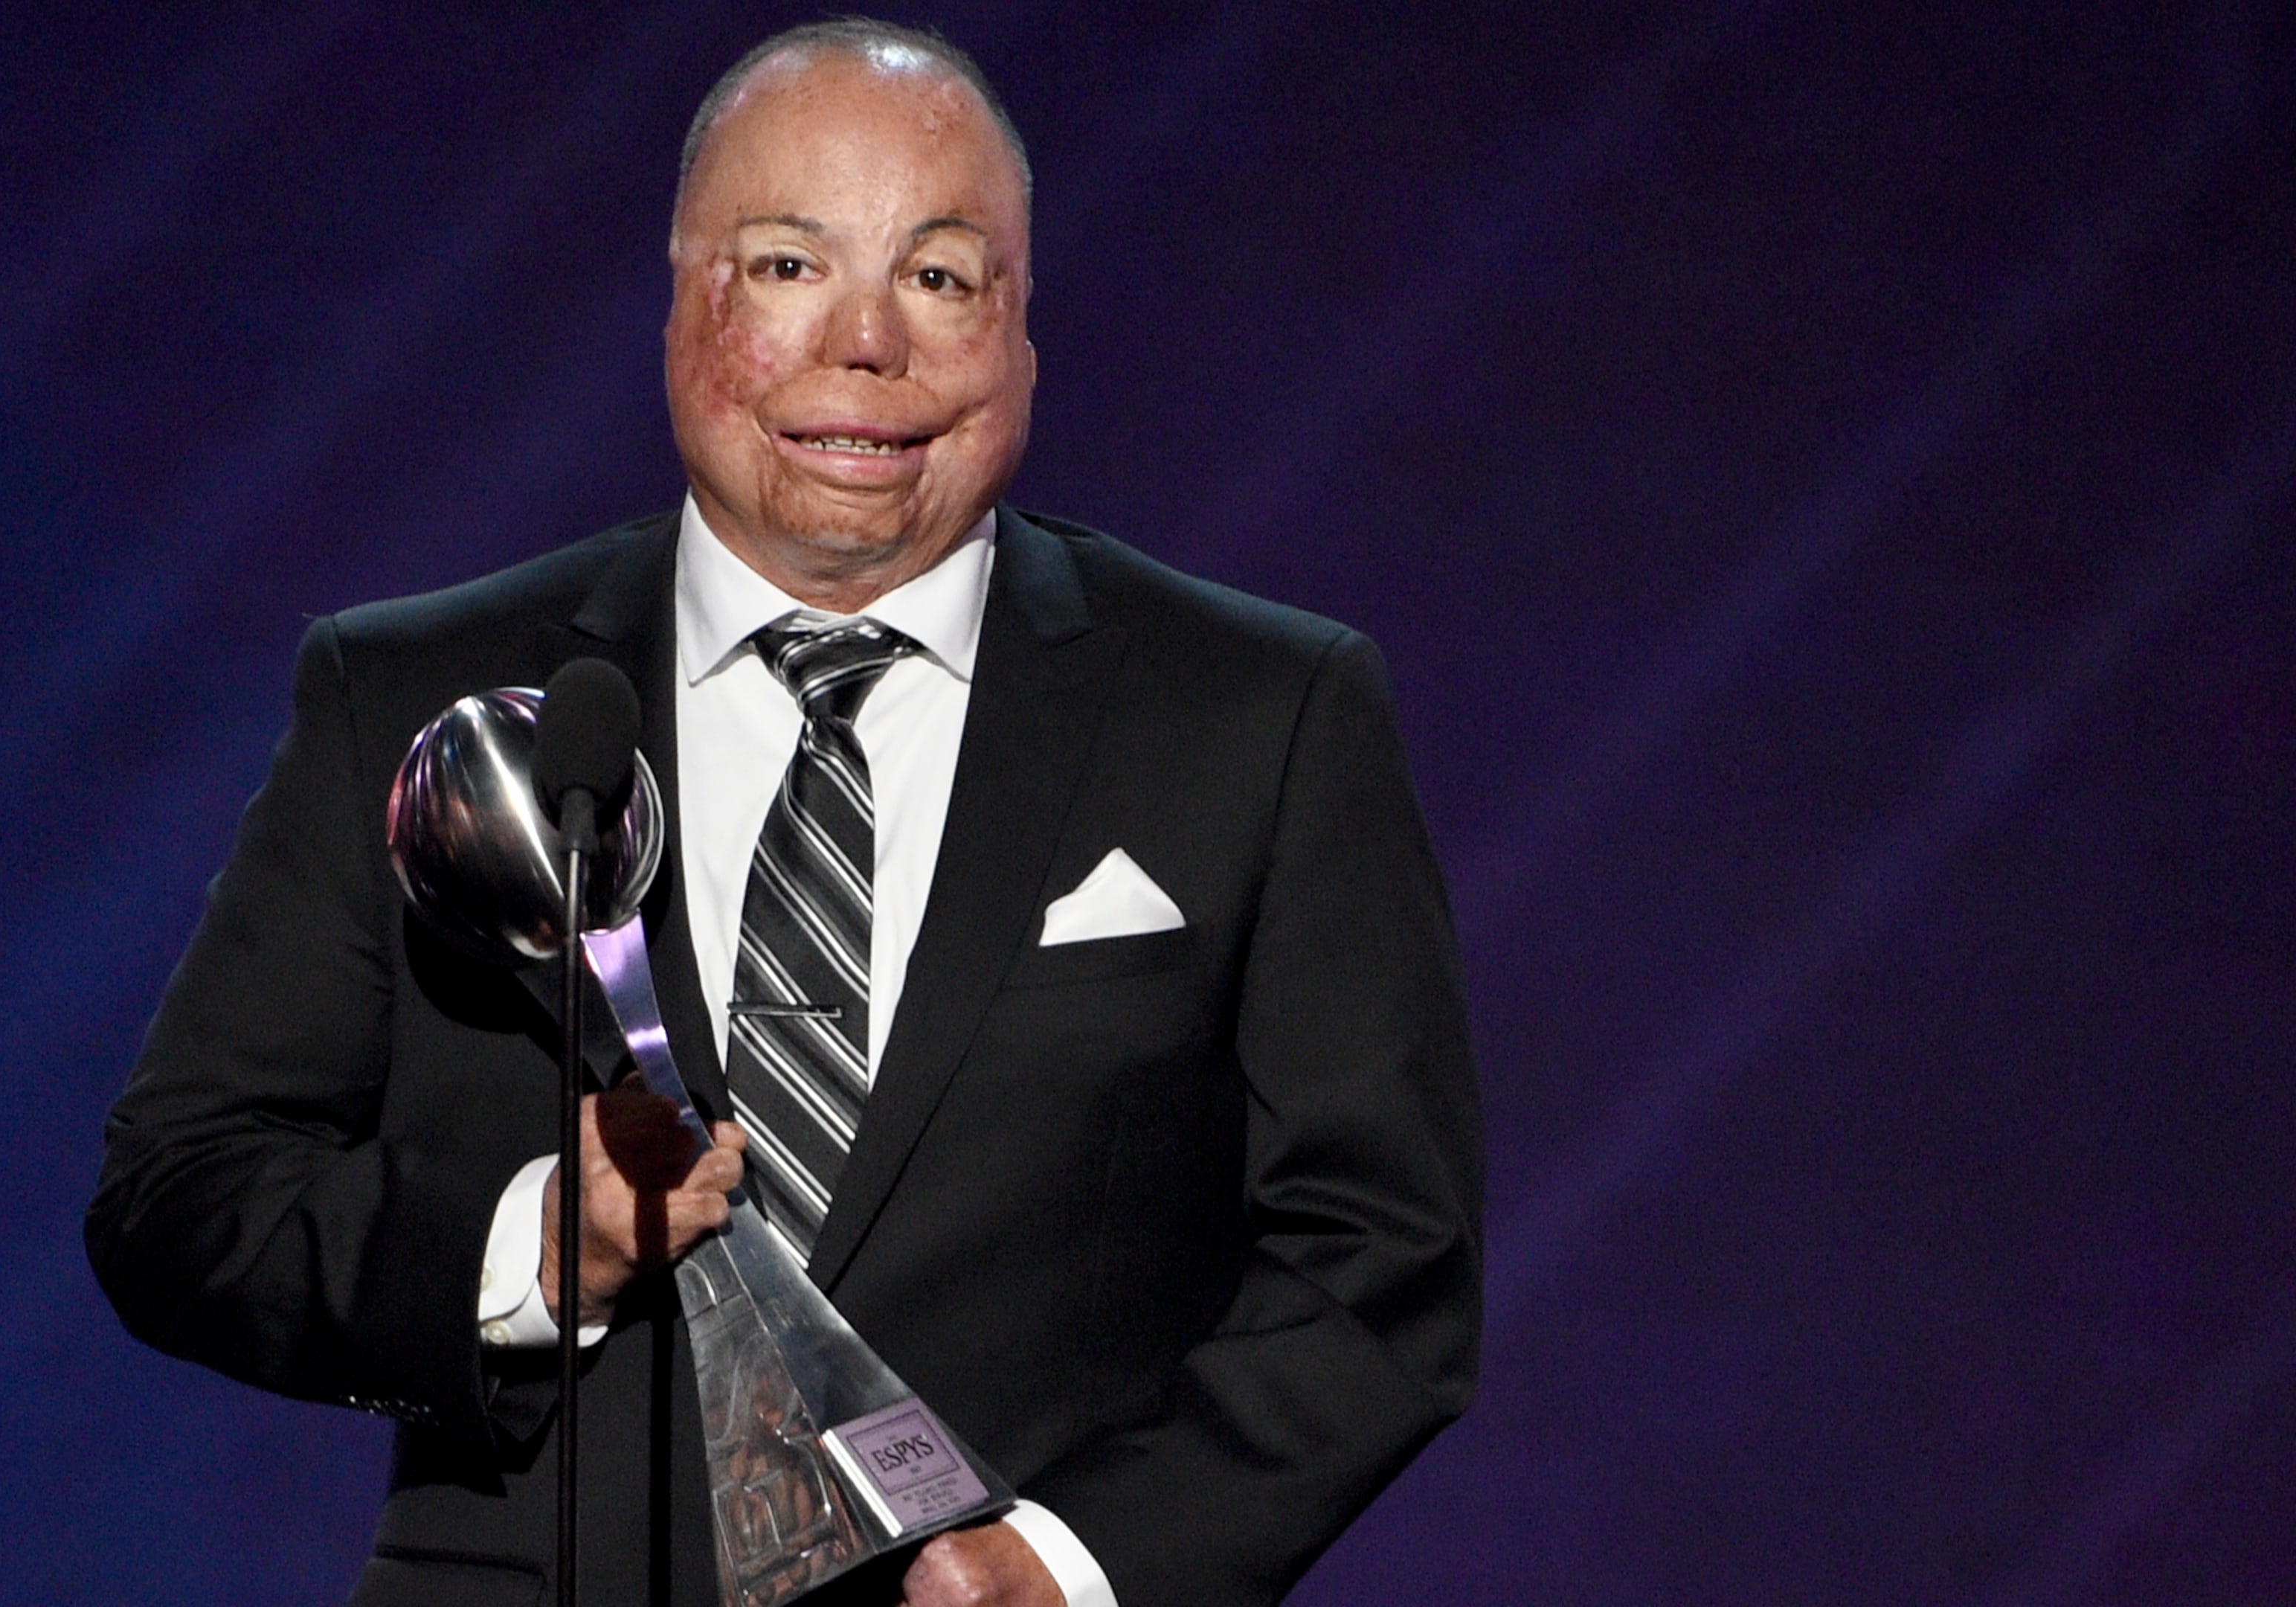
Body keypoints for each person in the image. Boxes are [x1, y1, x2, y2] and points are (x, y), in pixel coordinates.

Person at [86, 20, 1481, 1607]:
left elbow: (1385, 1265)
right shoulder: (409, 695)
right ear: (684, 301)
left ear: (1026, 333)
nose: (867, 344)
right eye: (789, 267)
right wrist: (537, 1255)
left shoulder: (1260, 715)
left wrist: (1079, 1562)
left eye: (942, 278)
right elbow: (178, 1202)